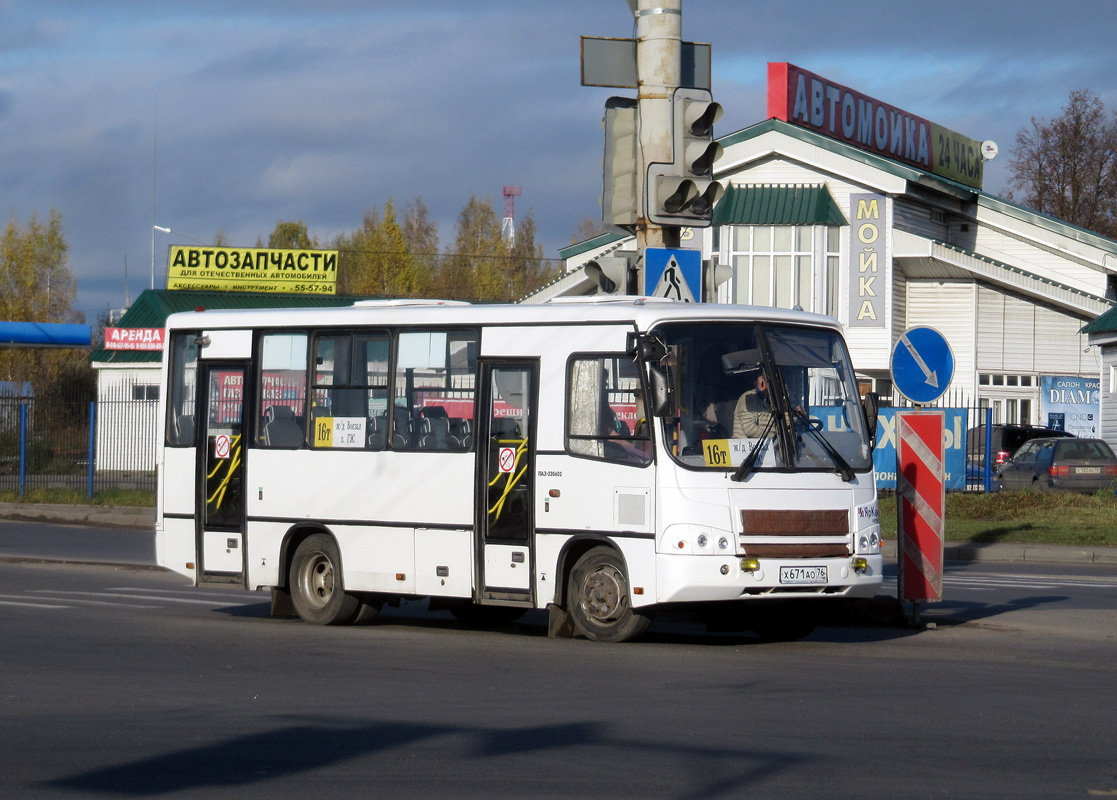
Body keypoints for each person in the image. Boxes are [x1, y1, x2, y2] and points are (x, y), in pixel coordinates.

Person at [732, 373, 773, 438]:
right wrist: (776, 440)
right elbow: (749, 429)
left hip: (776, 447)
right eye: (774, 380)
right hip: (749, 447)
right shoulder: (748, 398)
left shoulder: (779, 401)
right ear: (761, 380)